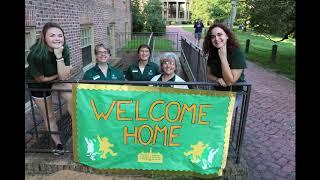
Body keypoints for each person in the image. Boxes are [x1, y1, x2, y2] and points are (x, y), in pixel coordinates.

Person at [26, 22, 72, 155]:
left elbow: (64, 77)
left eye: (60, 35)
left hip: (55, 79)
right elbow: (41, 79)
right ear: (44, 37)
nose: (57, 38)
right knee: (49, 115)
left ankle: (78, 125)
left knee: (73, 95)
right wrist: (60, 73)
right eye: (52, 35)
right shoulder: (36, 55)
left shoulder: (65, 48)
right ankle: (58, 143)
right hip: (38, 84)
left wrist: (59, 56)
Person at [203, 23, 247, 107]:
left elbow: (229, 81)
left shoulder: (237, 53)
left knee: (222, 113)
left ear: (227, 36)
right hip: (217, 92)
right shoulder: (213, 52)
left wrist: (223, 58)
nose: (216, 39)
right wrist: (217, 79)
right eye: (212, 36)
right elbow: (208, 74)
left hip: (234, 94)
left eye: (219, 35)